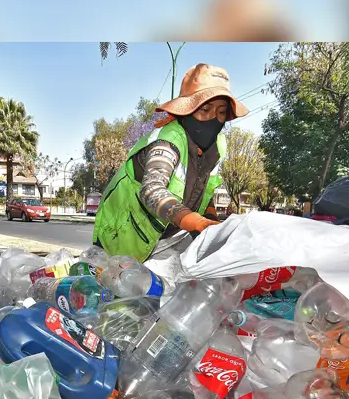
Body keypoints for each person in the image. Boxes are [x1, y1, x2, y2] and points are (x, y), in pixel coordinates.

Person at [92, 63, 249, 262]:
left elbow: (205, 191)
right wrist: (193, 221)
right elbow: (152, 190)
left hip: (166, 237)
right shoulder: (167, 142)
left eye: (220, 113)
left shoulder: (216, 147)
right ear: (187, 111)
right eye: (205, 110)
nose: (212, 119)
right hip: (121, 234)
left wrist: (213, 224)